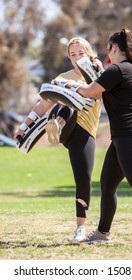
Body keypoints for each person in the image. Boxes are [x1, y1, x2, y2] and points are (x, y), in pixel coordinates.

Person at [62, 29, 132, 247]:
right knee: (107, 184)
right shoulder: (124, 69)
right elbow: (98, 81)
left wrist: (66, 86)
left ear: (114, 48)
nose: (107, 54)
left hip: (130, 136)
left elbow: (90, 91)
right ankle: (102, 232)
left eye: (108, 49)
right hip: (121, 138)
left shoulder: (119, 69)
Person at [14, 37, 103, 242]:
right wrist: (23, 126)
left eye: (81, 53)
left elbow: (104, 89)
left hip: (86, 132)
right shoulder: (63, 77)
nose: (77, 57)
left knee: (83, 179)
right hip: (67, 128)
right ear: (69, 57)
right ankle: (56, 125)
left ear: (89, 53)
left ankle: (80, 227)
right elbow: (43, 104)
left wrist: (97, 66)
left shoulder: (98, 75)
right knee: (66, 98)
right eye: (73, 54)